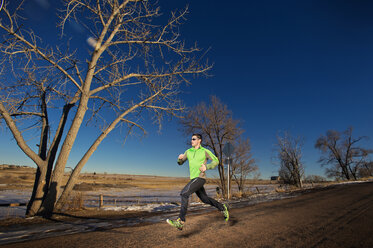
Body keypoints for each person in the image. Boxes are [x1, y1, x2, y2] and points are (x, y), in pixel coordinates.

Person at [166, 133, 229, 230]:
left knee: (184, 193)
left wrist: (206, 167)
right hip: (193, 179)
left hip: (200, 178)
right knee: (204, 199)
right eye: (191, 139)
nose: (192, 141)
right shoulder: (188, 151)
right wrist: (179, 159)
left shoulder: (204, 151)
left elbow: (216, 161)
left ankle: (180, 221)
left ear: (199, 140)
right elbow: (180, 163)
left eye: (194, 139)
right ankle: (222, 207)